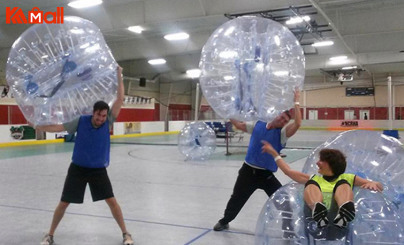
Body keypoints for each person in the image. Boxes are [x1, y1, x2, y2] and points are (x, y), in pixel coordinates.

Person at [33, 66, 134, 245]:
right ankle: (49, 235)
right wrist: (39, 127)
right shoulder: (81, 121)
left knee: (112, 201)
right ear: (93, 112)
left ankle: (126, 234)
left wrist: (119, 74)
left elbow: (119, 98)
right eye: (98, 115)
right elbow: (59, 127)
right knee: (64, 203)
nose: (101, 118)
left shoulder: (108, 121)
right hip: (78, 169)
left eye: (104, 116)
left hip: (98, 170)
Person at [213, 90, 302, 232]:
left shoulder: (282, 135)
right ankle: (225, 221)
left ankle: (289, 230)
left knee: (284, 202)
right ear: (277, 114)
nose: (283, 121)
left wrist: (296, 101)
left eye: (286, 121)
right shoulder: (258, 125)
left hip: (266, 175)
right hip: (247, 172)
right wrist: (229, 114)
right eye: (282, 117)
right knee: (236, 199)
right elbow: (240, 125)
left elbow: (297, 123)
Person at [261, 141, 383, 238]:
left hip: (339, 226)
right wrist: (274, 153)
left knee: (343, 184)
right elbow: (288, 171)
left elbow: (378, 185)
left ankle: (344, 211)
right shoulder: (315, 179)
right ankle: (318, 210)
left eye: (321, 161)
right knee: (311, 184)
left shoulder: (348, 178)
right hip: (315, 224)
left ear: (330, 164)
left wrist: (373, 184)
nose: (318, 163)